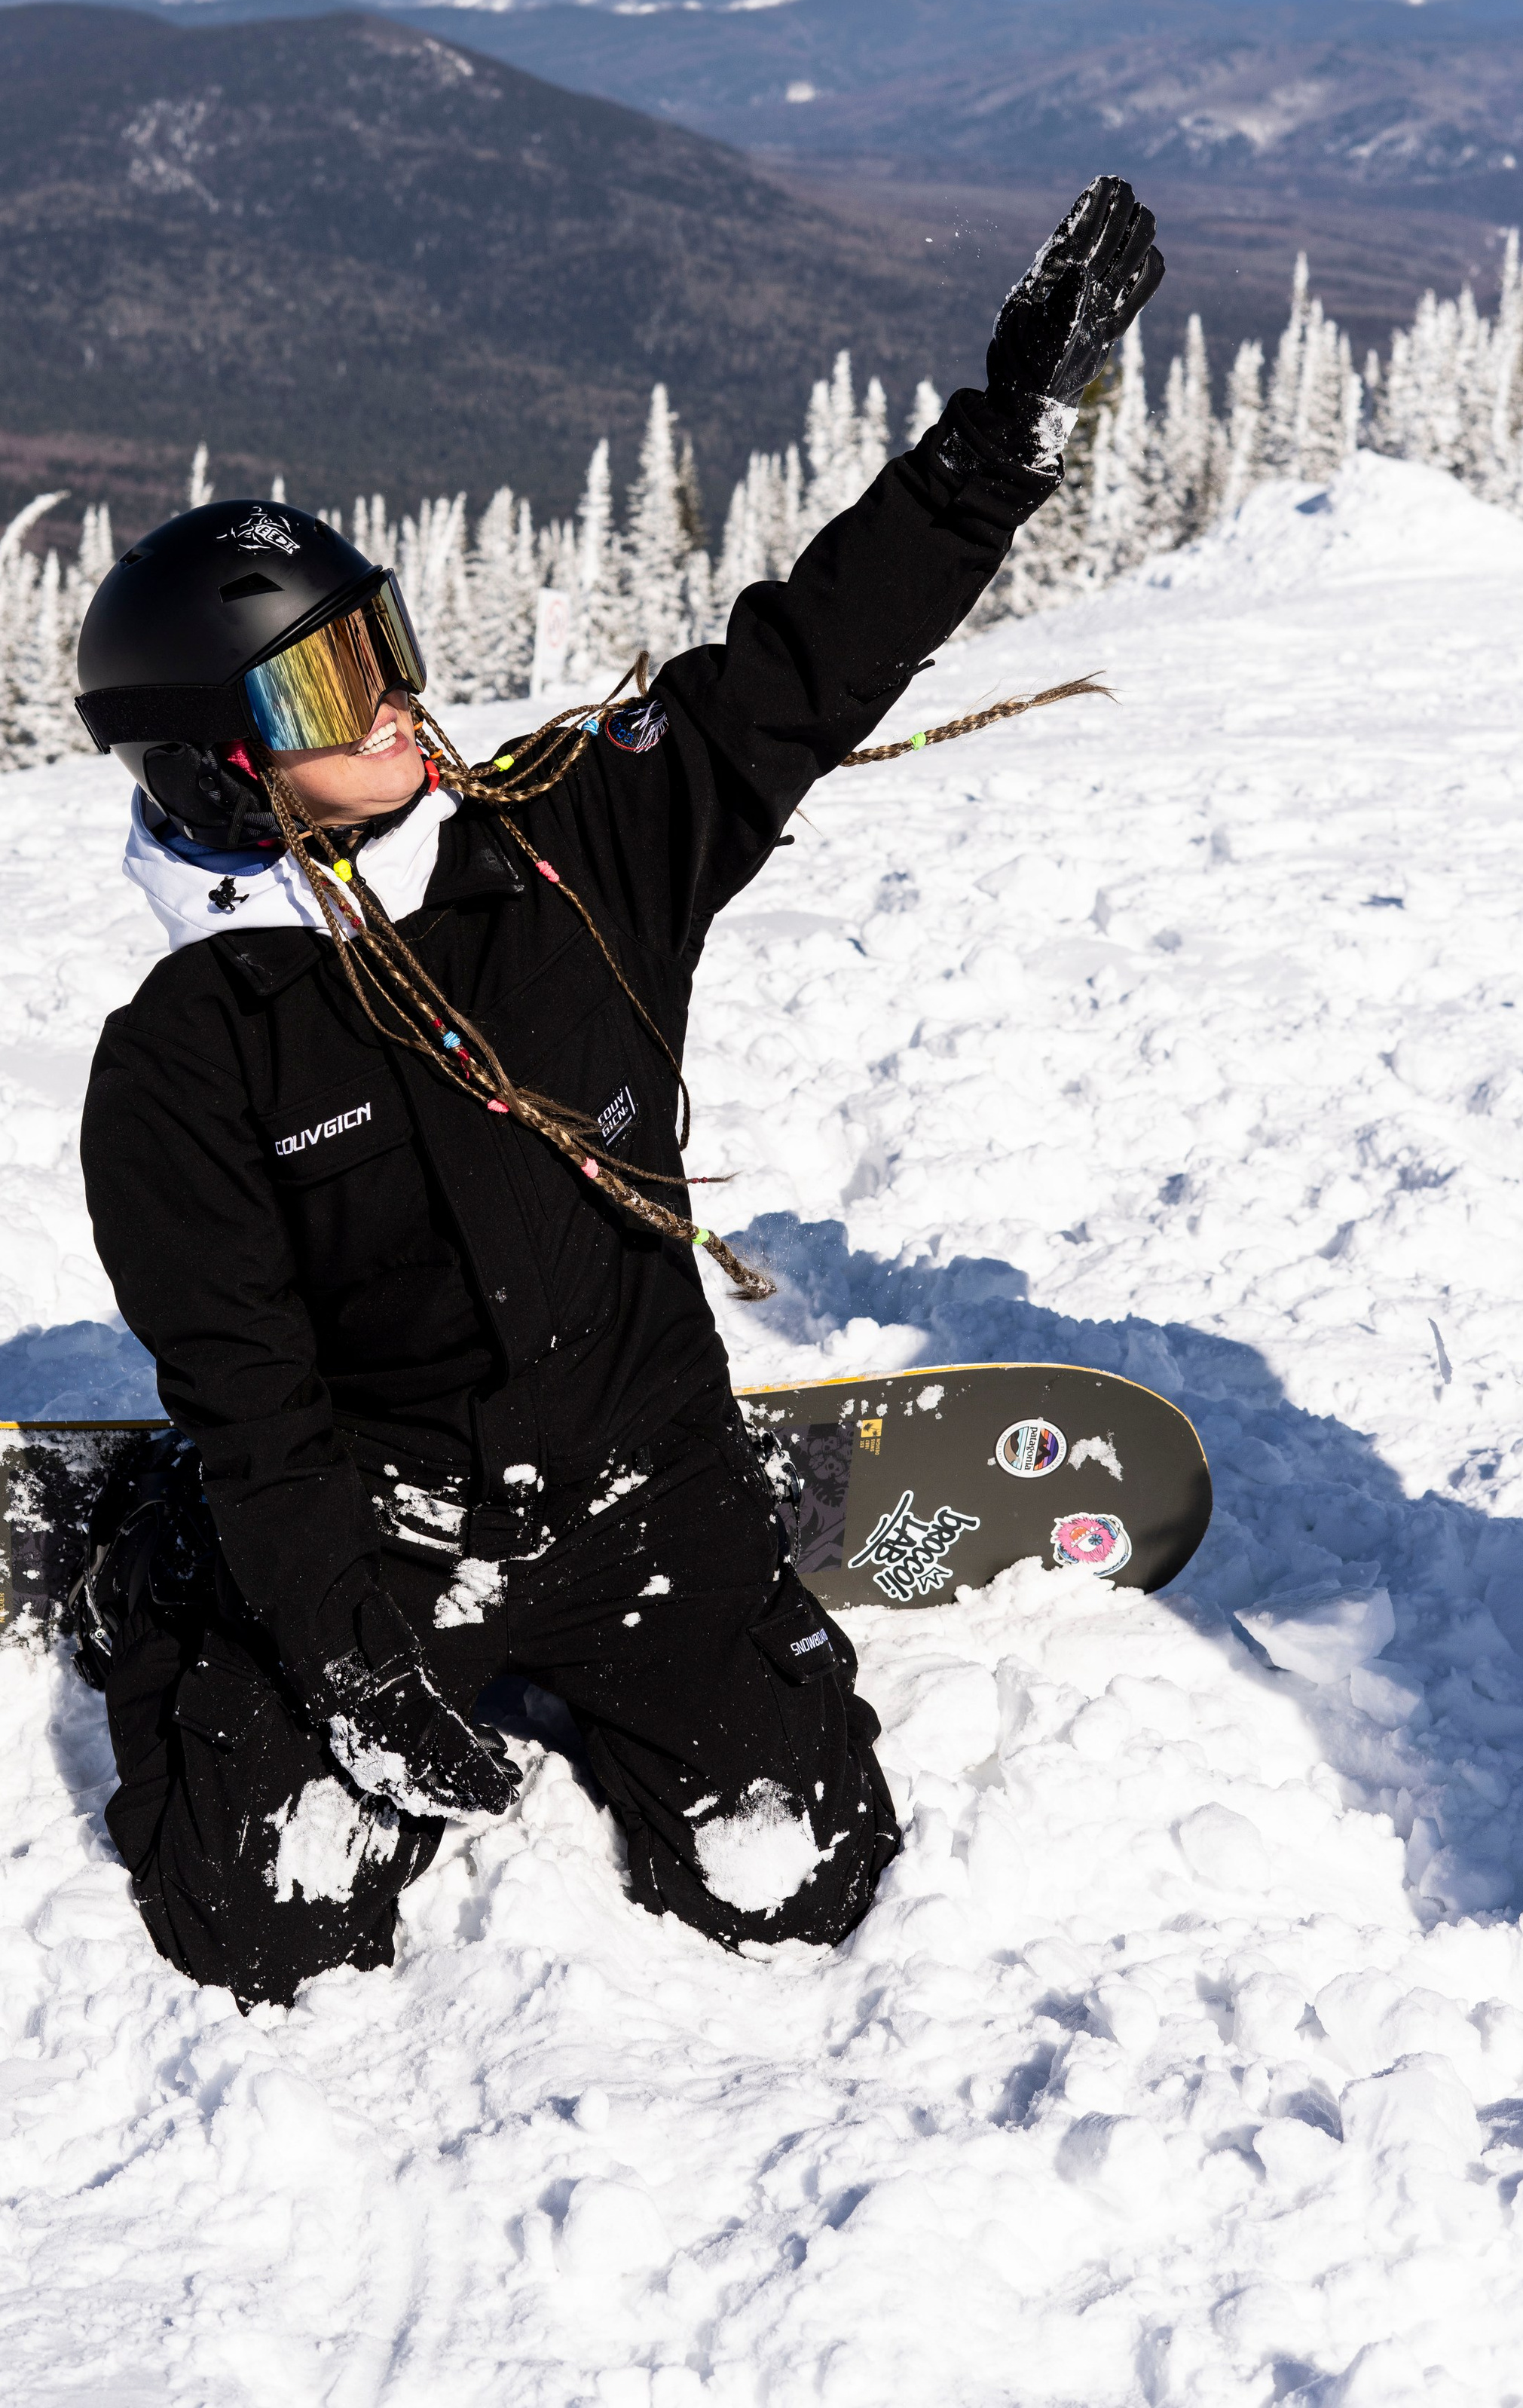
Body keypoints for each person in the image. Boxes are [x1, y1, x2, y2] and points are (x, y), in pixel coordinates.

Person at [73, 176, 1163, 2007]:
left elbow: (805, 663)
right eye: (324, 685)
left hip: (645, 1491)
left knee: (794, 1887)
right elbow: (257, 1404)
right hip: (385, 1534)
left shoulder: (570, 853)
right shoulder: (188, 1058)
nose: (392, 700)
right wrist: (347, 1661)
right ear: (215, 767)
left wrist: (1004, 434)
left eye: (380, 642)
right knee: (273, 1933)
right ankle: (162, 1566)